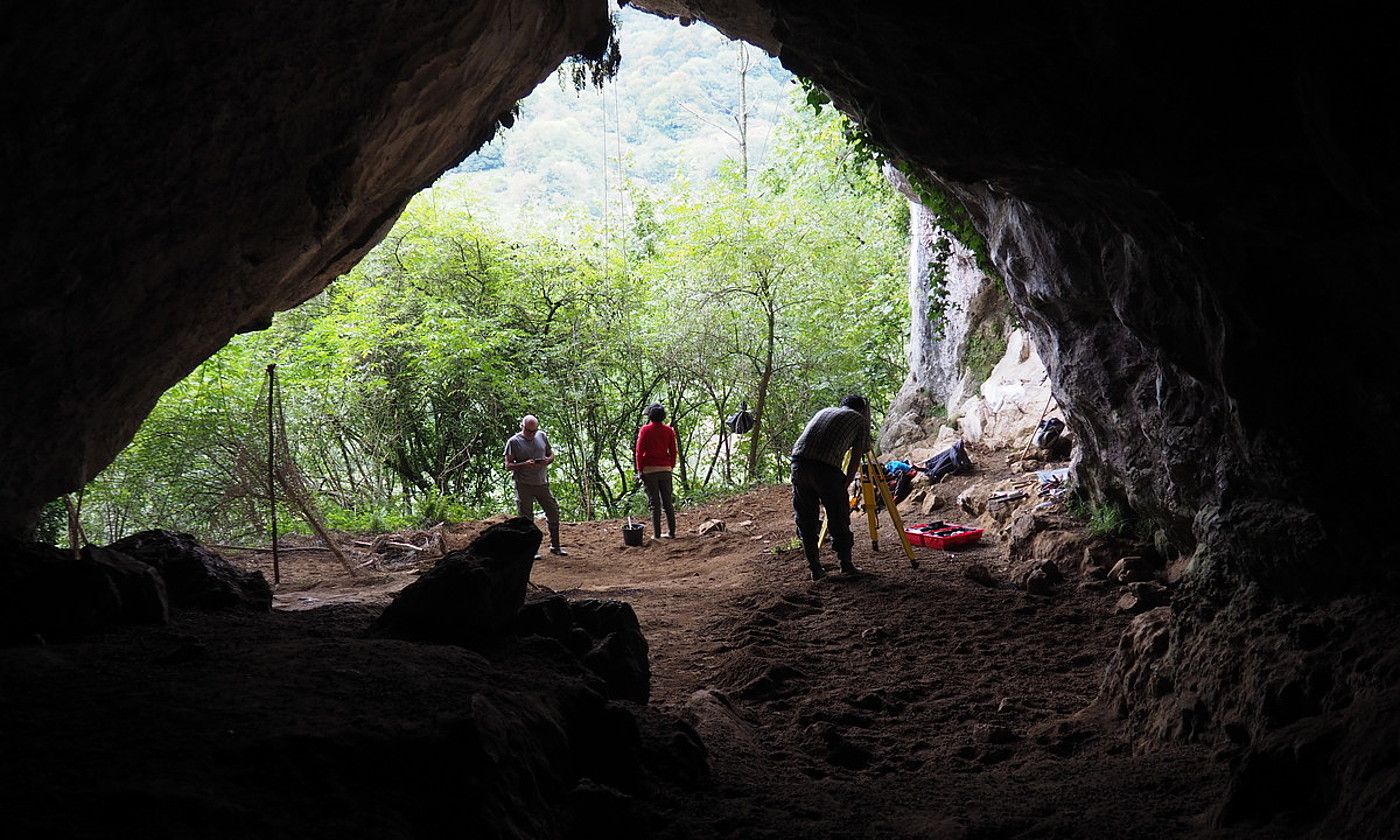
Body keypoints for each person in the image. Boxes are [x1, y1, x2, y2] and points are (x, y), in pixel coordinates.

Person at [790, 395, 872, 580]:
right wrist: (847, 482)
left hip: (798, 464)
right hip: (825, 469)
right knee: (838, 516)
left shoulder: (824, 411)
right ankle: (846, 564)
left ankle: (815, 569)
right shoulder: (859, 420)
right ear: (861, 410)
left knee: (806, 519)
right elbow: (857, 456)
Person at [504, 414, 566, 555]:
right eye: (529, 431)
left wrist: (546, 460)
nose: (532, 434)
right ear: (522, 426)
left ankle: (555, 546)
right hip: (524, 484)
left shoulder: (542, 436)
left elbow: (551, 455)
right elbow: (508, 465)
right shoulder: (513, 442)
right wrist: (523, 464)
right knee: (526, 518)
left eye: (534, 431)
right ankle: (531, 550)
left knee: (553, 511)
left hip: (541, 483)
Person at [634, 403, 678, 539]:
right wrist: (670, 466)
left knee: (655, 504)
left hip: (649, 470)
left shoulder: (645, 430)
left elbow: (639, 452)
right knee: (668, 503)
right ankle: (671, 533)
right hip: (665, 469)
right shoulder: (669, 430)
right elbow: (673, 451)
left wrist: (640, 470)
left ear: (650, 416)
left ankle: (657, 535)